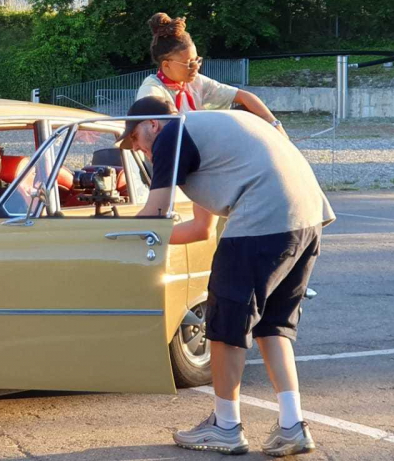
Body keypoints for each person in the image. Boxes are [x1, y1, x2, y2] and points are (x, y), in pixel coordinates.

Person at [120, 96, 334, 457]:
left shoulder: (173, 134)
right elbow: (201, 229)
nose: (140, 151)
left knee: (225, 323)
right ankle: (291, 425)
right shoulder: (206, 136)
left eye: (136, 140)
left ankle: (226, 426)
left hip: (262, 217)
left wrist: (111, 235)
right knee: (272, 325)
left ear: (152, 124)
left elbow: (154, 213)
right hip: (307, 218)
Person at [136, 13, 289, 139]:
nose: (195, 67)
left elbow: (245, 97)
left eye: (197, 60)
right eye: (189, 63)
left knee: (246, 113)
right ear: (166, 65)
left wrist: (275, 125)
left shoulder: (195, 82)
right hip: (174, 158)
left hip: (198, 147)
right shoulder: (152, 91)